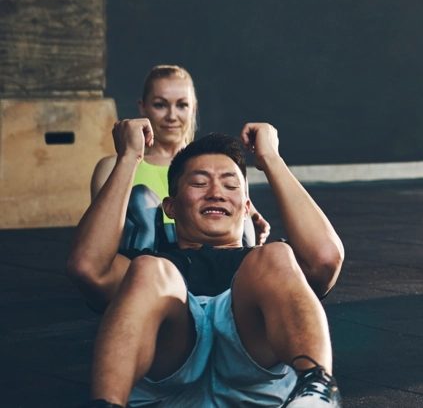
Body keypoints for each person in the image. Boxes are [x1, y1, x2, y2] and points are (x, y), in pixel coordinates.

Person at [70, 121, 343, 407]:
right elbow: (88, 269)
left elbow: (325, 259)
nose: (215, 192)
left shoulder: (267, 268)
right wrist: (129, 158)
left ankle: (317, 393)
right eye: (199, 183)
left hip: (257, 371)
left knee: (275, 255)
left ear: (247, 207)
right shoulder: (153, 270)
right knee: (149, 269)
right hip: (168, 371)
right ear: (171, 207)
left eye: (230, 185)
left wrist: (271, 159)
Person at [90, 66, 268, 250]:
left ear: (193, 109)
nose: (172, 116)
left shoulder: (222, 166)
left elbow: (245, 216)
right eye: (160, 105)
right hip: (148, 271)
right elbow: (99, 238)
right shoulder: (114, 166)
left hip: (220, 264)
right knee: (140, 200)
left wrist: (254, 220)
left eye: (182, 105)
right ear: (143, 107)